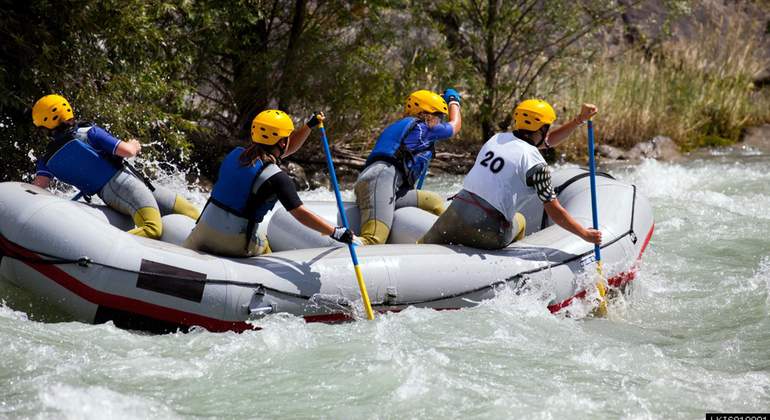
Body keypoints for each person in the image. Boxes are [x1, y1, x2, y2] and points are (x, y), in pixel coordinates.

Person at [420, 99, 602, 249]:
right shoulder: (539, 166)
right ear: (542, 128)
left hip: (453, 216)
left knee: (422, 246)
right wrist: (585, 234)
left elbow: (546, 141)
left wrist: (579, 119)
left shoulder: (497, 139)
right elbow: (555, 213)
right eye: (547, 126)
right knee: (520, 220)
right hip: (487, 231)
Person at [182, 110, 360, 258]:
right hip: (234, 242)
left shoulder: (234, 155)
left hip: (201, 232)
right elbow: (300, 214)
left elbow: (285, 148)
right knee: (267, 245)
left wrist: (309, 126)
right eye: (287, 137)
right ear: (282, 141)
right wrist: (335, 232)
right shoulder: (278, 178)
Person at [31, 94, 200, 239]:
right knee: (152, 228)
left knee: (191, 213)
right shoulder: (90, 132)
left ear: (45, 128)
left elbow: (38, 190)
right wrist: (133, 144)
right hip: (124, 184)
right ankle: (105, 245)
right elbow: (127, 151)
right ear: (68, 111)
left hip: (122, 187)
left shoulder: (47, 159)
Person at [354, 89, 462, 245]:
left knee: (435, 202)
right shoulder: (424, 127)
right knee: (374, 239)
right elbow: (455, 126)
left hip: (385, 183)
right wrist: (453, 102)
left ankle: (456, 237)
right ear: (429, 113)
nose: (440, 120)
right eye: (439, 115)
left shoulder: (404, 125)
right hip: (380, 180)